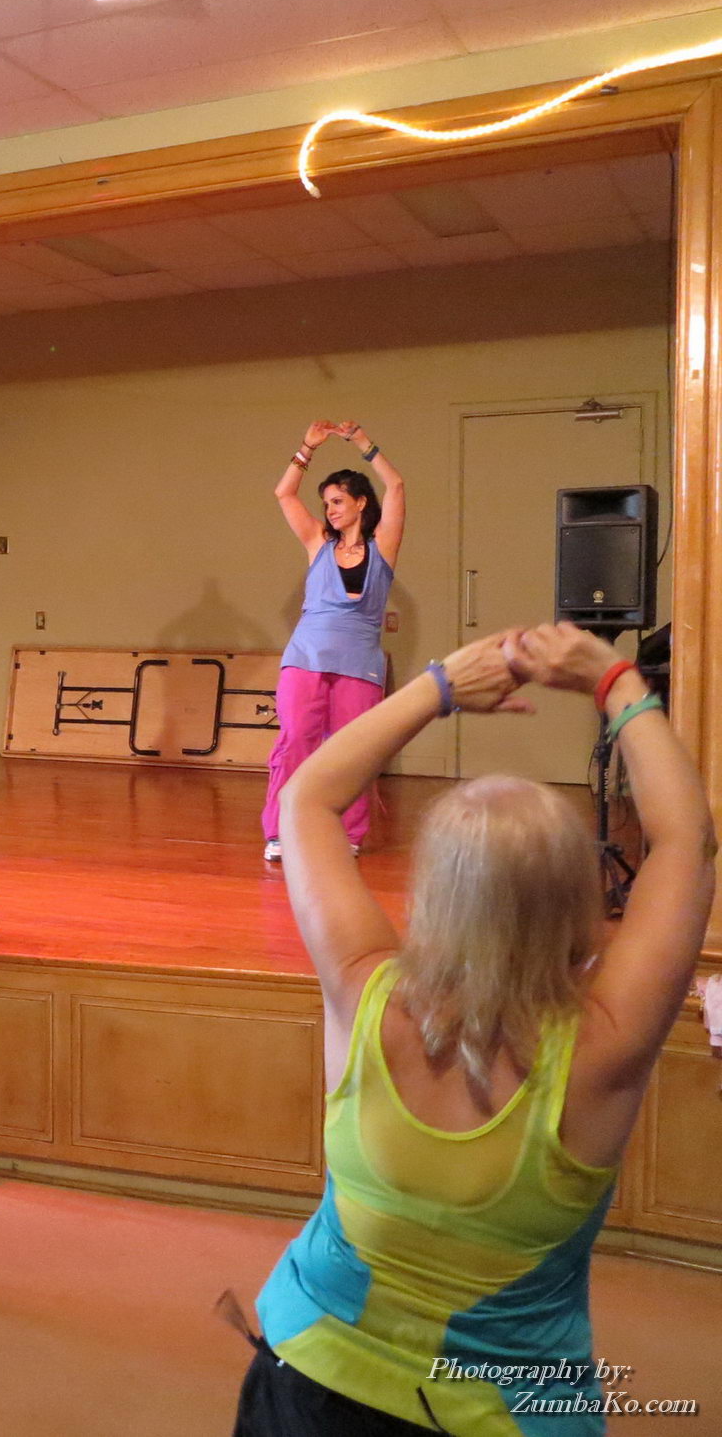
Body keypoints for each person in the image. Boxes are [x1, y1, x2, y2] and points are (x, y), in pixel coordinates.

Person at [238, 624, 714, 1435]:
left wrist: (440, 686)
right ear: (577, 906)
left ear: (432, 894)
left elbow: (306, 798)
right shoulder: (602, 1049)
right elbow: (687, 842)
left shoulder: (364, 994)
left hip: (307, 1379)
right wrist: (617, 682)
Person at [264, 420, 405, 861]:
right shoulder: (317, 543)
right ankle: (279, 831)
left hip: (359, 663)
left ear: (361, 502)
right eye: (326, 503)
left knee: (353, 752)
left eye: (339, 501)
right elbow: (284, 493)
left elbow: (396, 485)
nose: (330, 510)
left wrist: (362, 442)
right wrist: (307, 448)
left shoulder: (383, 547)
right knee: (295, 741)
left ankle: (348, 833)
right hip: (306, 656)